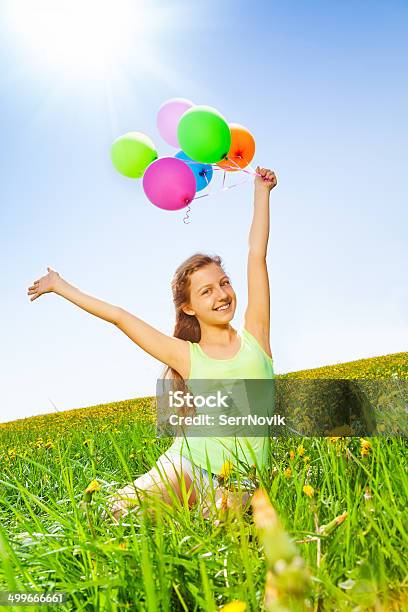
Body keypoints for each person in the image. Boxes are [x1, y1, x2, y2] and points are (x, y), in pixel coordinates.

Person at [27, 166, 277, 522]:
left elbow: (256, 256)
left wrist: (261, 192)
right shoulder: (187, 355)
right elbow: (119, 316)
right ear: (189, 307)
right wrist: (60, 285)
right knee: (114, 514)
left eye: (224, 283)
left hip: (239, 480)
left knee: (224, 533)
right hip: (188, 463)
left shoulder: (257, 336)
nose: (222, 295)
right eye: (207, 291)